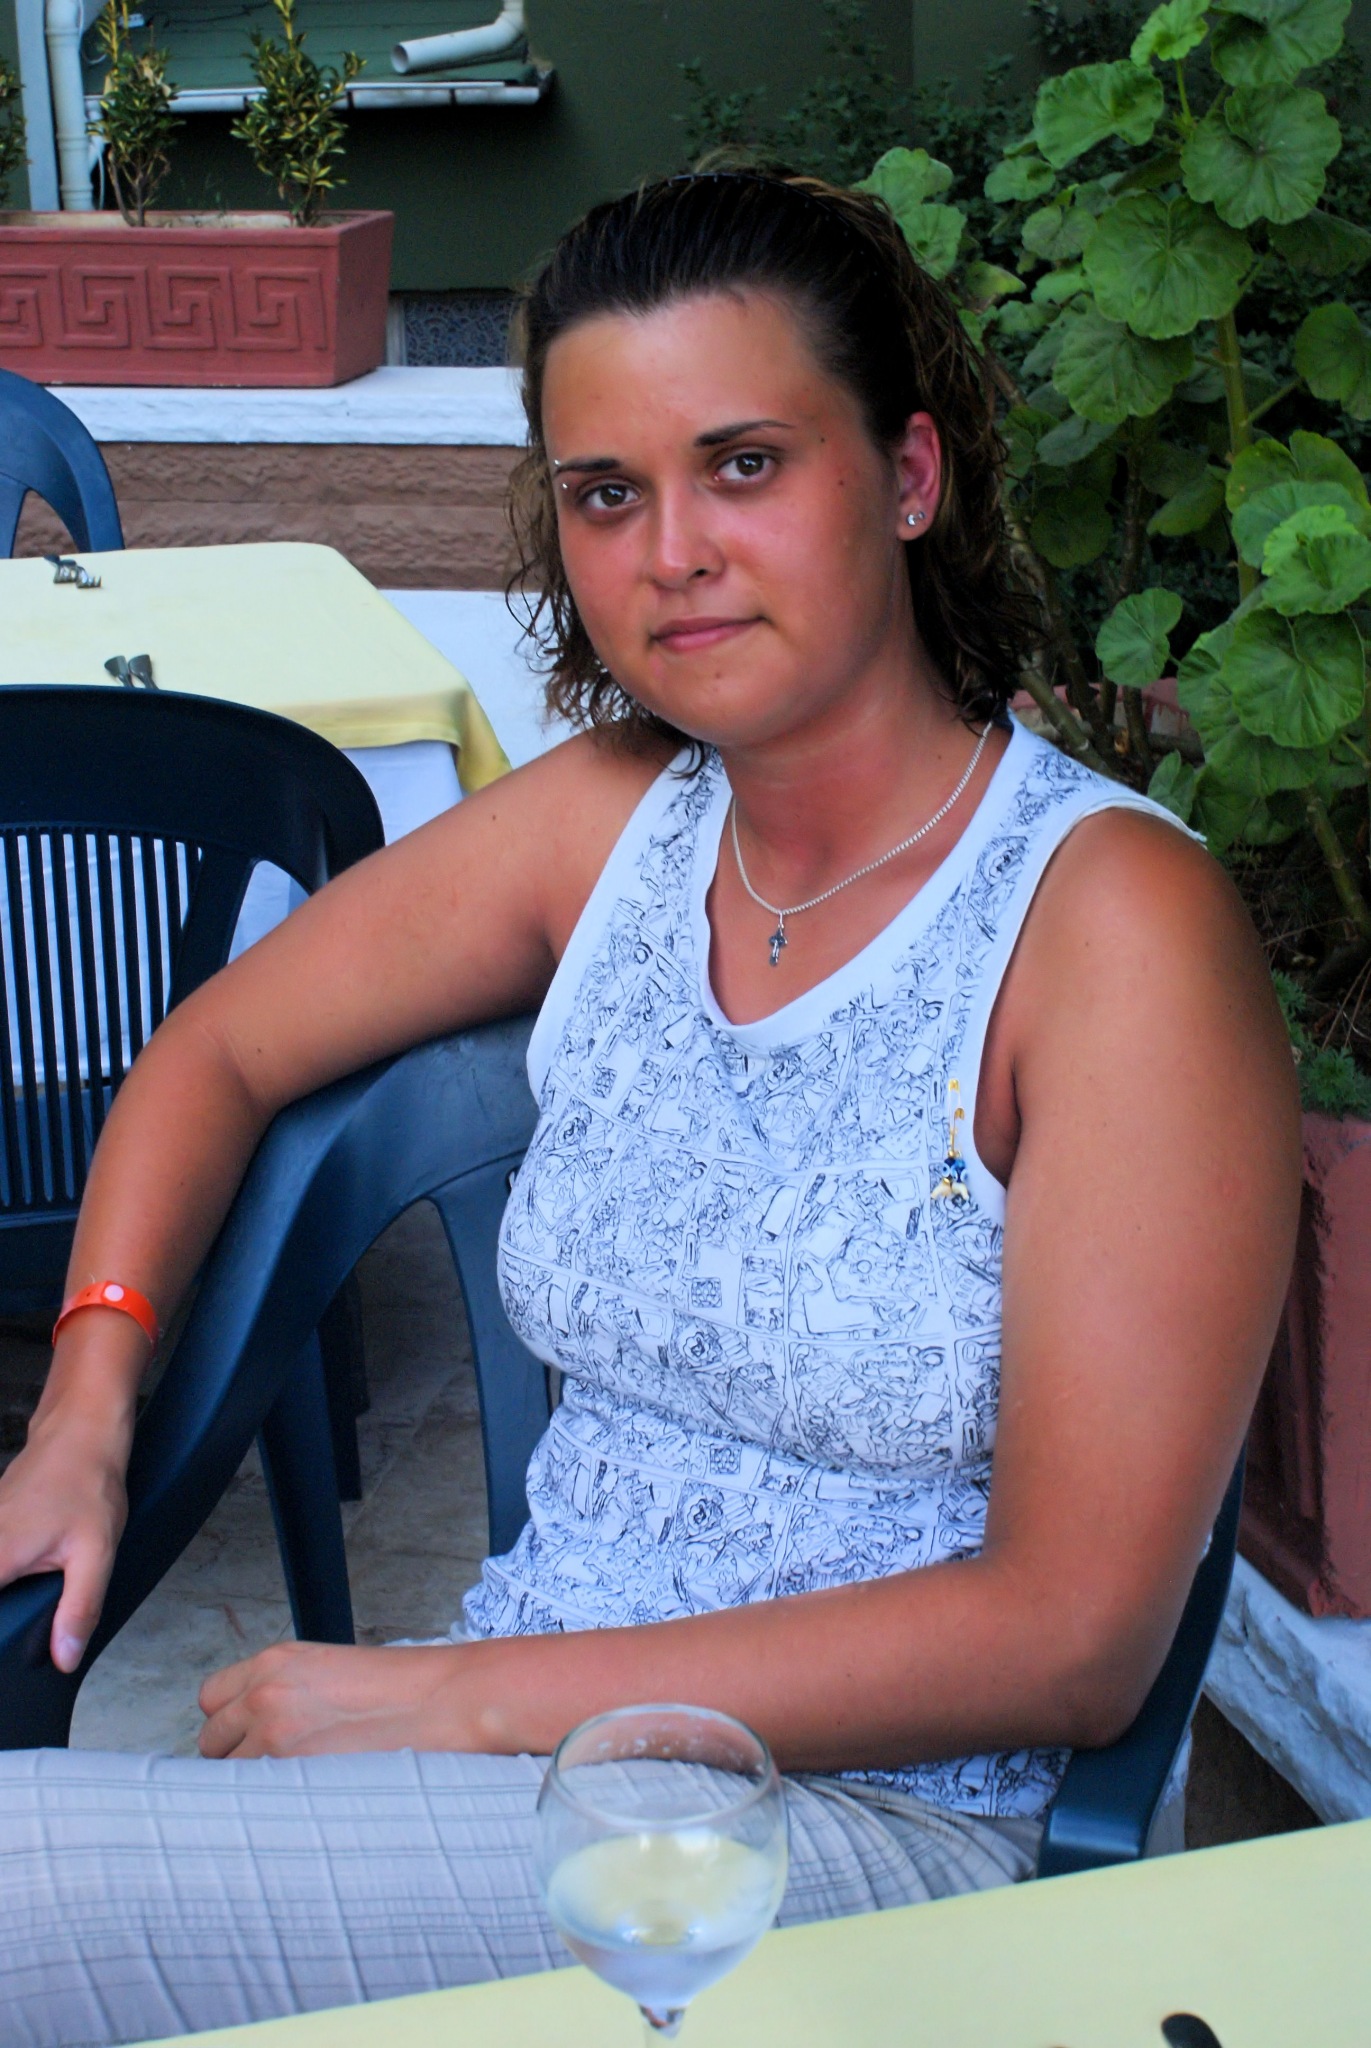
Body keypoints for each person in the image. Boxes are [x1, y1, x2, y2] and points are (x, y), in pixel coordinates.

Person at [0, 168, 1299, 2043]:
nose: (671, 550)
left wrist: (442, 1699)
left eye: (744, 465)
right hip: (526, 1779)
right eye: (607, 494)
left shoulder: (1106, 926)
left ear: (909, 477)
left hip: (866, 1840)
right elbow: (217, 1048)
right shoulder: (616, 826)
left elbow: (1074, 1634)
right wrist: (85, 1401)